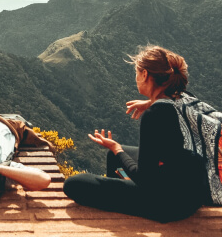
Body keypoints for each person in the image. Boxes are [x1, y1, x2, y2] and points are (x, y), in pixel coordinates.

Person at [63, 45, 206, 222]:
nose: (136, 78)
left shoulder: (154, 115)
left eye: (137, 73)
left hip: (169, 205)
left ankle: (125, 201)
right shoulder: (184, 97)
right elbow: (170, 107)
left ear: (145, 74)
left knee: (74, 184)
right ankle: (122, 198)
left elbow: (145, 179)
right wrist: (150, 102)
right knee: (113, 156)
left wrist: (117, 148)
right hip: (193, 194)